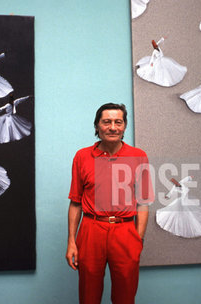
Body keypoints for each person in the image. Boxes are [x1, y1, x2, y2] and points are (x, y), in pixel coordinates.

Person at [66, 103, 154, 304]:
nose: (112, 127)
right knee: (89, 295)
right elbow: (75, 203)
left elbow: (143, 203)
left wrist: (137, 239)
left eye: (118, 122)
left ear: (124, 126)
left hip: (124, 231)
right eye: (106, 122)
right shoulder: (82, 156)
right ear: (97, 126)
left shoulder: (138, 156)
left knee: (125, 296)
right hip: (91, 230)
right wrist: (71, 241)